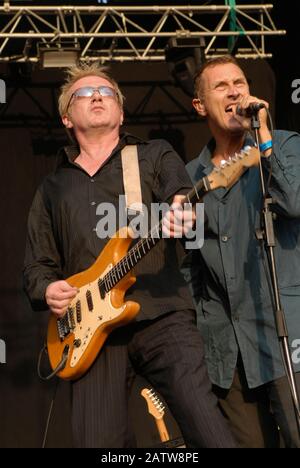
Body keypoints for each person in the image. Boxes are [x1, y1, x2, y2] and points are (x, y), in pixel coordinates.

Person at [23, 63, 236, 448]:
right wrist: (48, 289)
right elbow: (37, 264)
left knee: (207, 426)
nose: (98, 96)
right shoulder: (52, 186)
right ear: (67, 117)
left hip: (162, 311)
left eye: (106, 92)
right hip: (90, 335)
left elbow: (180, 194)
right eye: (85, 94)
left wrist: (181, 211)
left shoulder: (152, 154)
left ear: (121, 112)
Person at [182, 54, 300, 448]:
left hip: (286, 335)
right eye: (221, 86)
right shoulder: (189, 177)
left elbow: (294, 201)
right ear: (199, 106)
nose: (235, 90)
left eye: (240, 82)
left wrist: (264, 136)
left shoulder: (283, 144)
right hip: (226, 351)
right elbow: (188, 265)